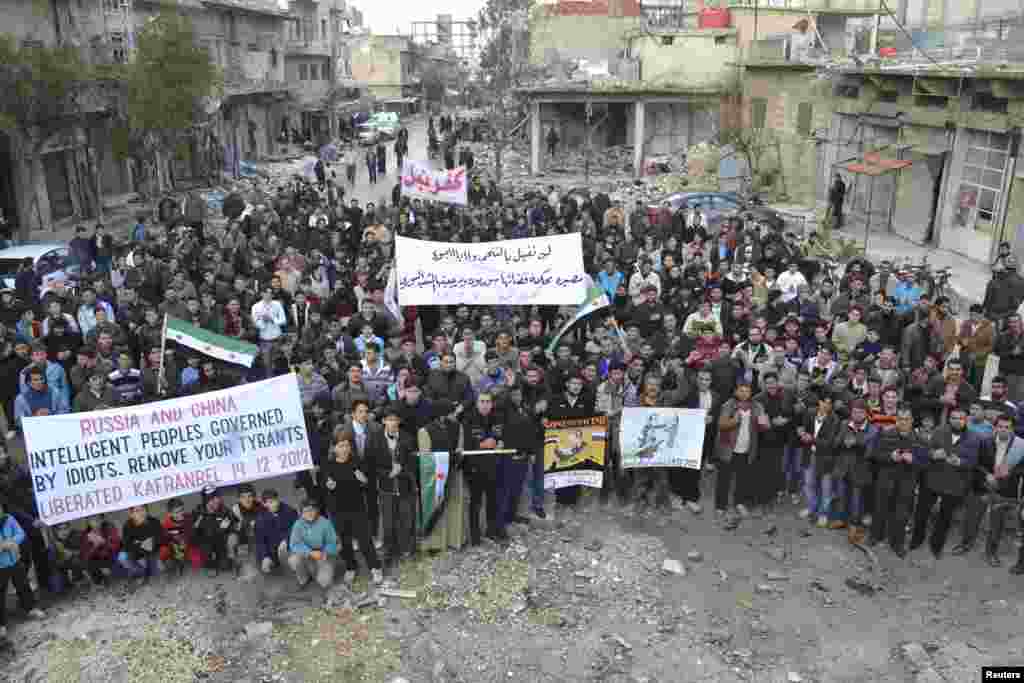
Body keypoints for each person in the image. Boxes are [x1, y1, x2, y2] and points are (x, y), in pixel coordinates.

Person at [322, 429, 383, 585]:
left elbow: (367, 484)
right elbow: (324, 489)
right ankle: (350, 566)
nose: (345, 449)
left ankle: (375, 567)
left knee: (365, 540)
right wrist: (328, 486)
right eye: (341, 446)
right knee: (344, 541)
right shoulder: (328, 465)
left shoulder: (357, 462)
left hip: (357, 508)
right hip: (337, 510)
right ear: (334, 448)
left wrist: (363, 480)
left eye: (347, 445)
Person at [462, 390, 505, 545]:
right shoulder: (468, 419)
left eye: (488, 401)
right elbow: (465, 443)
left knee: (492, 500)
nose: (485, 405)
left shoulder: (498, 418)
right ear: (477, 403)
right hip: (474, 466)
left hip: (493, 464)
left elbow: (501, 436)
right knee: (476, 502)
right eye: (482, 401)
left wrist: (500, 443)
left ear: (492, 403)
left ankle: (491, 531)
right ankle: (475, 536)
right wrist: (482, 444)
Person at [377, 407, 417, 563]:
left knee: (407, 518)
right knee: (388, 521)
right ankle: (389, 550)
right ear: (384, 421)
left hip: (405, 486)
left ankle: (406, 549)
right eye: (389, 419)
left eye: (395, 420)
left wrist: (401, 469)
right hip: (386, 488)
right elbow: (372, 464)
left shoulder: (408, 438)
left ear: (399, 422)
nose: (392, 423)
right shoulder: (376, 438)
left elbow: (414, 463)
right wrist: (387, 473)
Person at [0, 499, 45, 638]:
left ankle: (30, 608)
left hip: (15, 560)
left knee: (23, 585)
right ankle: (1, 624)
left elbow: (20, 533)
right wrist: (2, 546)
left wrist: (13, 542)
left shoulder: (9, 519)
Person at [287, 499, 338, 593]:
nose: (309, 513)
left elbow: (332, 542)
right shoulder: (298, 524)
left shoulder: (325, 523)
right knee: (293, 560)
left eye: (312, 510)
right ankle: (304, 579)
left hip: (323, 556)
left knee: (324, 582)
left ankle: (317, 574)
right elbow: (294, 544)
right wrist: (309, 552)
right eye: (305, 511)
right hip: (307, 554)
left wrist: (324, 553)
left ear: (316, 510)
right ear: (301, 513)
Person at [253, 489, 298, 576]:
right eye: (270, 502)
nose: (275, 504)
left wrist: (286, 540)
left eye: (275, 501)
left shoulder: (289, 511)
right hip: (272, 548)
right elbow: (260, 539)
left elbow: (296, 529)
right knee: (264, 565)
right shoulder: (260, 518)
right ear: (264, 504)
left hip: (289, 546)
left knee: (294, 562)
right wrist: (264, 557)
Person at [118, 504, 161, 584]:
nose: (141, 513)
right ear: (131, 514)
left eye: (143, 510)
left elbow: (160, 538)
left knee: (157, 570)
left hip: (152, 552)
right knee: (122, 557)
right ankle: (140, 572)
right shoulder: (127, 526)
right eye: (137, 511)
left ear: (147, 511)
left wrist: (150, 542)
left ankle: (148, 571)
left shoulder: (154, 521)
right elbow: (127, 546)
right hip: (137, 553)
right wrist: (142, 544)